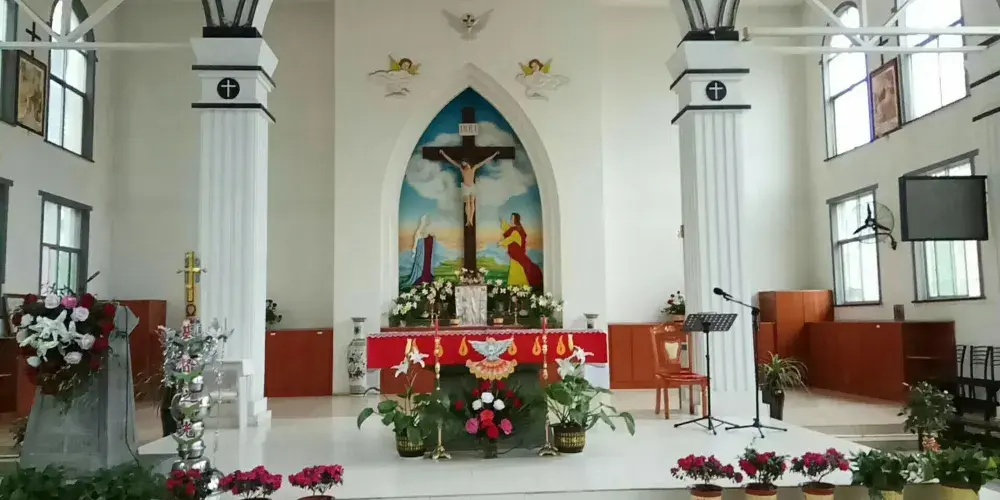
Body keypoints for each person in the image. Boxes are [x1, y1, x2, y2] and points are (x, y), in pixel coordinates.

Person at [438, 149, 500, 226]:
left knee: (472, 202)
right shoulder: (462, 169)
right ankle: (468, 219)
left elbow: (484, 161)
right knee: (468, 203)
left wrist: (494, 154)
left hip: (472, 187)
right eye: (463, 164)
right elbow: (452, 161)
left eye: (464, 163)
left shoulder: (473, 168)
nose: (463, 165)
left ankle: (471, 218)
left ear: (467, 163)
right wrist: (443, 154)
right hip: (465, 187)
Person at [498, 213, 543, 288]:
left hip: (517, 256)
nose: (511, 220)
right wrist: (503, 222)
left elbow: (510, 239)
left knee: (518, 271)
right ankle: (516, 287)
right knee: (515, 271)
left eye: (512, 219)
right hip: (515, 255)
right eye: (511, 218)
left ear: (516, 220)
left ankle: (520, 287)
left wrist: (501, 243)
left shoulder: (516, 230)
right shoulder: (514, 229)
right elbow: (508, 229)